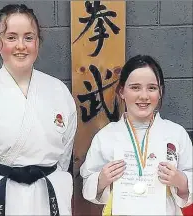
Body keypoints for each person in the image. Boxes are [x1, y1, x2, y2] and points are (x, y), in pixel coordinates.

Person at [0, 4, 77, 216]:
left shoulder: (59, 91)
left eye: (29, 37)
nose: (21, 45)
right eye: (11, 37)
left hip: (46, 196)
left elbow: (64, 156)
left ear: (38, 42)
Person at [80, 55, 192, 215]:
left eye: (152, 88)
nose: (144, 96)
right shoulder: (106, 136)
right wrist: (101, 179)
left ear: (160, 92)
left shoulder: (176, 134)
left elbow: (190, 174)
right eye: (135, 87)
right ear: (121, 91)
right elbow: (87, 184)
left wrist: (181, 181)